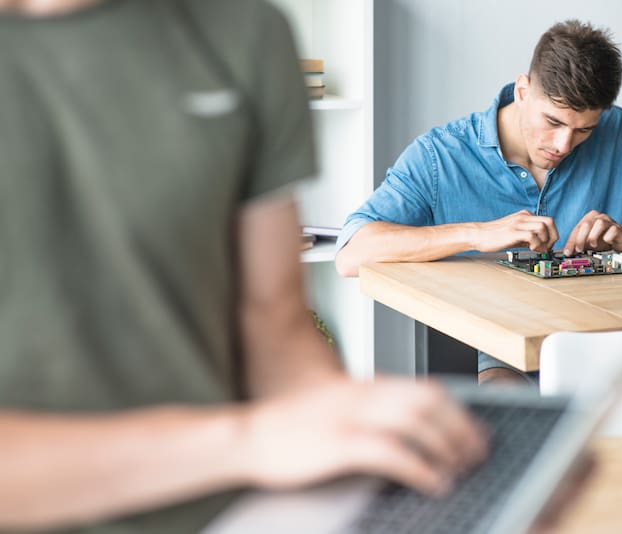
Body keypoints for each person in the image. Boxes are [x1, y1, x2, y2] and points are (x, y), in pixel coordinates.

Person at [0, 0, 489, 532]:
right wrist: (247, 441)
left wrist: (370, 437)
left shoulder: (245, 32)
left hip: (231, 511)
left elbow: (274, 319)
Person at [335, 19, 622, 384]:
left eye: (584, 130)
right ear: (523, 90)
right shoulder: (441, 155)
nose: (564, 145)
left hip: (602, 345)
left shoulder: (620, 132)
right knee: (511, 416)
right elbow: (352, 253)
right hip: (492, 358)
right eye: (553, 122)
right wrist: (478, 233)